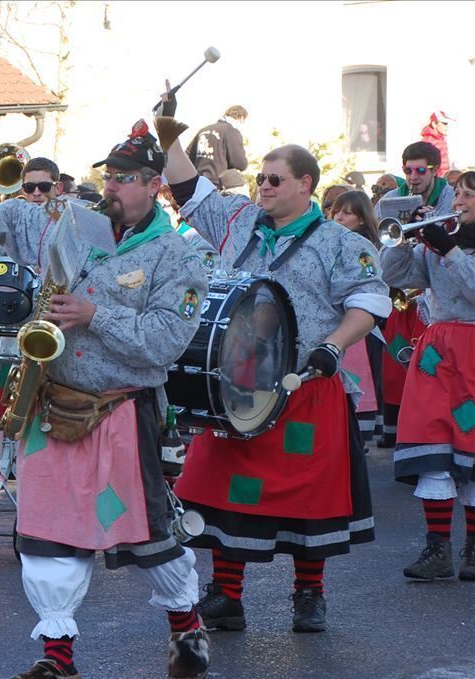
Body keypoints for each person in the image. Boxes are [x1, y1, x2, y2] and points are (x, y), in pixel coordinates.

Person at [0, 120, 211, 679]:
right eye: (107, 175)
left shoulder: (179, 256)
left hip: (122, 411)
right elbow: (12, 214)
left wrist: (97, 315)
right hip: (51, 403)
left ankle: (187, 627)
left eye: (122, 179)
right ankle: (57, 660)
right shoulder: (81, 223)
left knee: (147, 538)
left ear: (153, 184)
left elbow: (166, 341)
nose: (110, 186)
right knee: (46, 536)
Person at [159, 116, 391, 635]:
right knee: (223, 487)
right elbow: (186, 188)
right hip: (235, 385)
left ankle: (310, 595)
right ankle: (227, 595)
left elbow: (370, 302)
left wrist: (333, 346)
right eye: (261, 178)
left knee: (308, 494)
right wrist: (167, 133)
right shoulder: (238, 219)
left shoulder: (337, 241)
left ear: (305, 185)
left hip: (304, 384)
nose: (263, 186)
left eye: (274, 179)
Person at [380, 170, 475, 582]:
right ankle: (438, 548)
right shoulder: (438, 242)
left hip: (472, 350)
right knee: (432, 440)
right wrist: (405, 238)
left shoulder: (450, 245)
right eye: (458, 193)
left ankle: (473, 549)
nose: (460, 201)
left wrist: (449, 248)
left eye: (470, 195)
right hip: (436, 353)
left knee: (471, 442)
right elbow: (396, 277)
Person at [331, 190, 384, 444]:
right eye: (337, 212)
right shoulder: (331, 241)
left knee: (359, 375)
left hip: (357, 326)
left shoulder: (363, 247)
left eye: (347, 213)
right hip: (337, 320)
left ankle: (359, 431)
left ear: (362, 219)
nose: (339, 217)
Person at [375, 142, 455, 223]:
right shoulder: (388, 200)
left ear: (434, 170)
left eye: (421, 170)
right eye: (408, 170)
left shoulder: (453, 198)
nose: (413, 177)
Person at [186, 105, 249, 188]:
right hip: (217, 186)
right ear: (241, 118)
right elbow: (240, 163)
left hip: (197, 185)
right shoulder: (231, 131)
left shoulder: (203, 130)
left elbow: (187, 155)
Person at [420, 111, 453, 177]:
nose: (447, 127)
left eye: (447, 124)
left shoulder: (439, 138)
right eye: (444, 123)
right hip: (437, 179)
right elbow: (428, 166)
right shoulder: (428, 141)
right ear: (434, 124)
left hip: (444, 177)